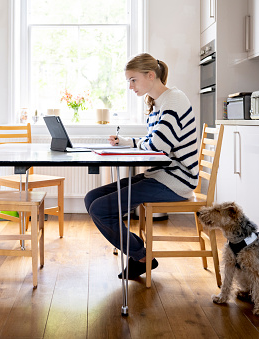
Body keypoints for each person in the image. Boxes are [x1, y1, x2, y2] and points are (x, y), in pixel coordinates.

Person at [84, 53, 199, 280]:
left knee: (100, 209)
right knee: (91, 199)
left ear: (150, 75)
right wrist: (127, 143)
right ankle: (140, 254)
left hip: (177, 181)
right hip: (161, 174)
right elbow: (153, 142)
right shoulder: (158, 104)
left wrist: (141, 144)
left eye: (133, 79)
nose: (130, 86)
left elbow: (158, 146)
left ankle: (141, 256)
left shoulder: (173, 100)